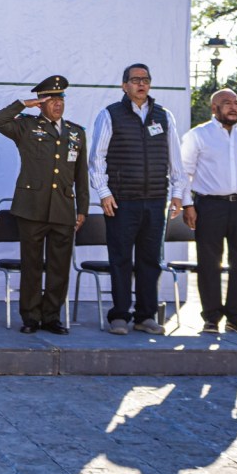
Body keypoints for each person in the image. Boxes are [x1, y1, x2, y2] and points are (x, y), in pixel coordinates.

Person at [88, 63, 184, 336]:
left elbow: (174, 158)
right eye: (135, 80)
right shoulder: (110, 115)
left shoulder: (164, 116)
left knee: (150, 260)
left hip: (155, 199)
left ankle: (146, 316)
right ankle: (119, 316)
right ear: (124, 85)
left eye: (145, 79)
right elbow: (96, 158)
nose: (141, 84)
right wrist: (104, 193)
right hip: (122, 201)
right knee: (120, 259)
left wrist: (177, 193)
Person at [0, 75, 89, 335]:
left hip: (63, 209)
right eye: (51, 99)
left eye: (61, 98)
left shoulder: (76, 132)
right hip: (32, 208)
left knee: (59, 267)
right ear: (41, 102)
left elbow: (81, 175)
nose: (57, 104)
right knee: (32, 266)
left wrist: (83, 209)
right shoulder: (26, 127)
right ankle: (31, 317)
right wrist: (24, 104)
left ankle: (52, 316)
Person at [181, 88, 237, 335]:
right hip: (210, 206)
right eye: (226, 103)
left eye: (236, 103)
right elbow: (183, 173)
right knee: (209, 262)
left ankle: (236, 318)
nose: (233, 107)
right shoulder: (198, 135)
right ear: (214, 108)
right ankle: (211, 318)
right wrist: (188, 205)